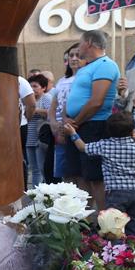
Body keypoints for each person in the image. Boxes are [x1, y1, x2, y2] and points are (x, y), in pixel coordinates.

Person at [64, 30, 120, 209]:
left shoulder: (105, 65)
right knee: (79, 175)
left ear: (88, 43)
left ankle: (105, 219)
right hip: (77, 125)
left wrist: (77, 121)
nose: (78, 47)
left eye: (80, 43)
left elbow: (97, 101)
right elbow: (74, 97)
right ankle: (85, 219)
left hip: (93, 125)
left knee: (95, 176)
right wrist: (67, 117)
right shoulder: (86, 67)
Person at [65, 112, 135, 237]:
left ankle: (117, 253)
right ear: (132, 130)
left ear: (108, 130)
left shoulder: (104, 145)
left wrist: (73, 134)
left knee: (113, 227)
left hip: (116, 192)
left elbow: (82, 147)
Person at [48, 44, 85, 182]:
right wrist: (53, 124)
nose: (74, 58)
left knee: (80, 171)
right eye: (71, 55)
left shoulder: (85, 78)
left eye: (78, 55)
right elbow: (53, 106)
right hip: (60, 130)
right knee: (66, 170)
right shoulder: (62, 81)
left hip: (77, 127)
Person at [25, 73, 52, 186]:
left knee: (43, 168)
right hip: (29, 138)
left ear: (44, 88)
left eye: (35, 86)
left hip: (41, 139)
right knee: (34, 169)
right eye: (30, 86)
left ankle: (47, 194)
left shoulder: (47, 98)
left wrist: (33, 109)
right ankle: (35, 197)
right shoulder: (26, 99)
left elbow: (50, 113)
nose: (32, 89)